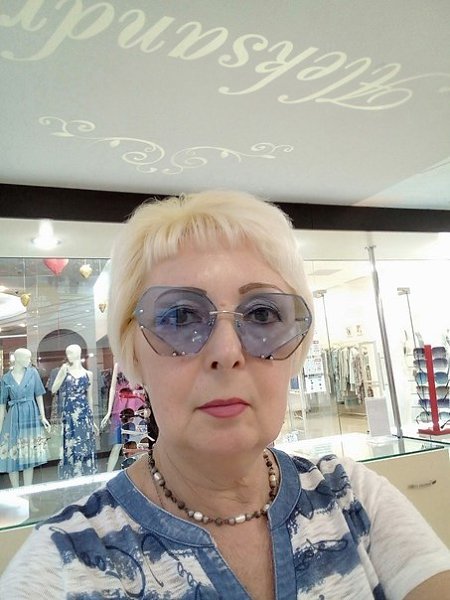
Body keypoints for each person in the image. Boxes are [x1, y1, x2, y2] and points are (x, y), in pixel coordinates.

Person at [1, 190, 450, 599]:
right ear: (132, 351)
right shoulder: (66, 562)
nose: (227, 353)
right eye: (180, 317)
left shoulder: (353, 497)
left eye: (262, 314)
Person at [0, 347, 50, 487]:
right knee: (12, 455)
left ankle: (28, 492)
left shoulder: (33, 373)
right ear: (17, 359)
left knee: (29, 455)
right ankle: (16, 491)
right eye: (27, 357)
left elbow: (39, 394)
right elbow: (2, 404)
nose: (29, 360)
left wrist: (43, 416)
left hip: (30, 414)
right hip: (13, 417)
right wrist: (0, 426)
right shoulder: (6, 378)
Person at [51, 344, 98, 479]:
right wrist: (62, 373)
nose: (68, 356)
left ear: (78, 353)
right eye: (67, 353)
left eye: (70, 353)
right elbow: (54, 389)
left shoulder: (88, 374)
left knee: (84, 443)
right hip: (70, 413)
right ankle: (72, 475)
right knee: (71, 443)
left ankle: (84, 474)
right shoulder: (65, 369)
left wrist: (92, 420)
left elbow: (89, 398)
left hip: (84, 413)